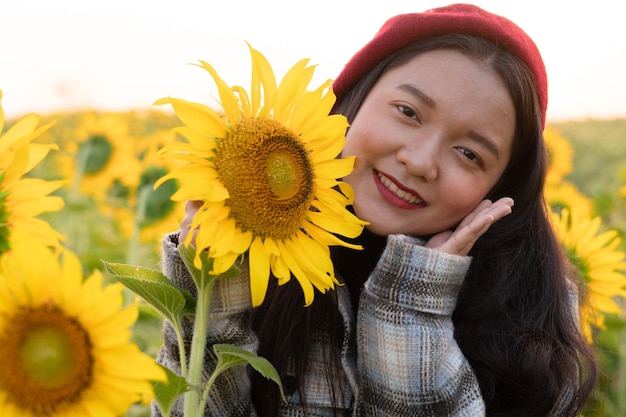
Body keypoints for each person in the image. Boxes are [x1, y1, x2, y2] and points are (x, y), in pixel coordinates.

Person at [154, 3, 598, 416]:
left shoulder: (528, 332)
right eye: (408, 111)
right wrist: (213, 274)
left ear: (501, 190)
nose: (420, 161)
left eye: (469, 154)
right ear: (352, 100)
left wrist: (411, 305)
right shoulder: (264, 263)